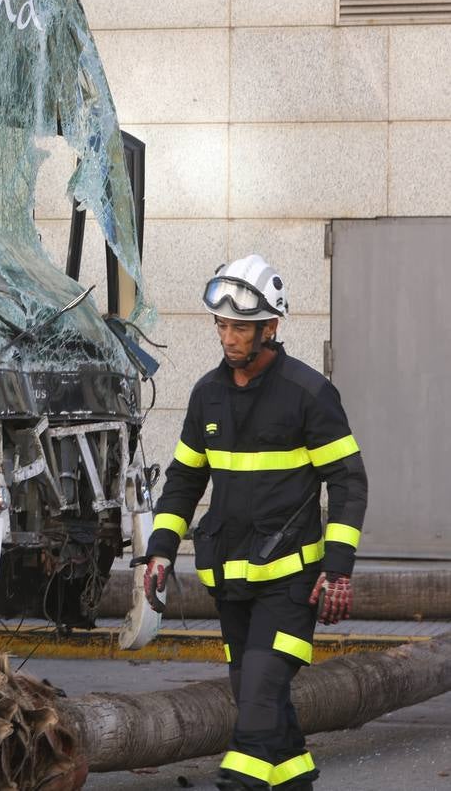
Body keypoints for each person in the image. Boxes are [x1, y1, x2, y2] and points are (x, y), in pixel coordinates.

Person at [141, 254, 368, 791]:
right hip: (231, 585)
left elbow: (349, 482)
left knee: (254, 718)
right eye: (222, 325)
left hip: (292, 586)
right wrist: (159, 550)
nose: (228, 337)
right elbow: (183, 482)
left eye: (240, 326)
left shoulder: (309, 394)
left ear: (271, 327)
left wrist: (337, 569)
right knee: (267, 716)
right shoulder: (207, 395)